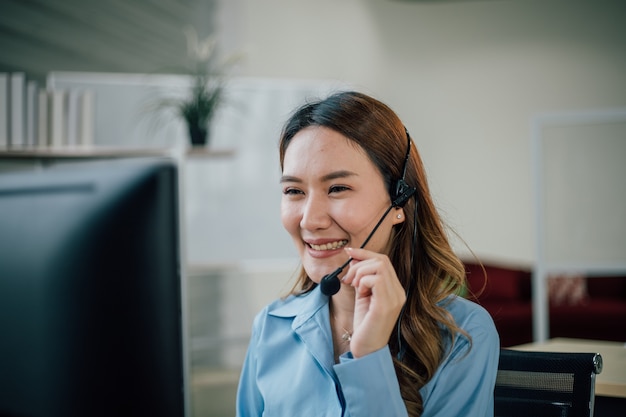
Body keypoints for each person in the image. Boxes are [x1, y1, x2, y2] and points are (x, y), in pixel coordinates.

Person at [236, 91, 499, 417]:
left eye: (337, 188)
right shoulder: (271, 327)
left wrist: (370, 356)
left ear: (398, 200)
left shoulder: (464, 335)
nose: (310, 219)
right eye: (294, 191)